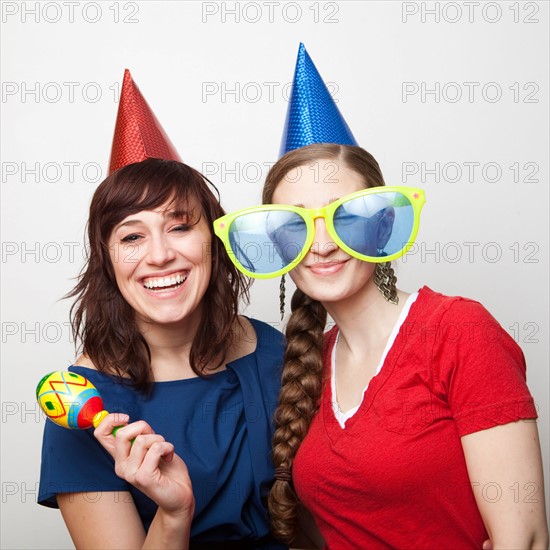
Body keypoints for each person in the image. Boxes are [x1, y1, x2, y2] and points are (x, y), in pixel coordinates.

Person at [213, 44, 549, 549]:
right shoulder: (308, 365)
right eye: (297, 224)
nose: (322, 243)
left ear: (384, 223)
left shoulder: (458, 330)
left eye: (344, 215)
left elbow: (523, 538)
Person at [38, 71, 287, 549]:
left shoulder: (277, 354)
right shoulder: (79, 407)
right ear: (108, 263)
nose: (159, 256)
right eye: (132, 236)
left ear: (214, 239)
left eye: (179, 227)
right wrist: (174, 515)